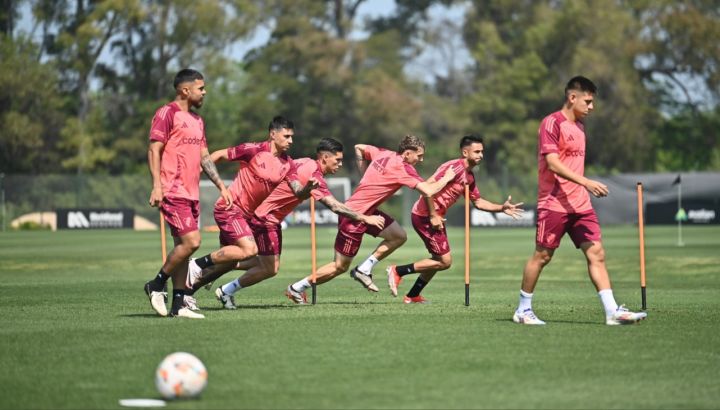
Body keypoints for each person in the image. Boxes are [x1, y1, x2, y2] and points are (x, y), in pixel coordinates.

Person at [188, 138, 386, 308]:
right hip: (265, 219)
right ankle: (217, 282)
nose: (340, 164)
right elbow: (334, 206)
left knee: (256, 262)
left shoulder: (303, 162)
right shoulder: (313, 175)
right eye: (338, 160)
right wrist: (364, 217)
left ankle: (216, 278)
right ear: (325, 157)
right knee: (269, 268)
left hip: (266, 218)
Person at [513, 76, 647, 325]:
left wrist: (583, 188)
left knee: (597, 254)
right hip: (554, 203)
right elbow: (552, 163)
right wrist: (586, 182)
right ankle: (523, 310)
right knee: (542, 256)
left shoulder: (580, 127)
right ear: (572, 97)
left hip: (580, 205)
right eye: (588, 101)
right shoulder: (551, 123)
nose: (591, 107)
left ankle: (612, 312)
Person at [285, 135, 456, 301]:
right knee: (339, 266)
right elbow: (428, 191)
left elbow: (359, 148)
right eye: (419, 156)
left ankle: (364, 269)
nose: (421, 160)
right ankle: (296, 288)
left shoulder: (384, 153)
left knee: (399, 236)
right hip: (353, 216)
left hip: (368, 212)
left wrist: (364, 174)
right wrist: (447, 178)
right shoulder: (403, 168)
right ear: (407, 153)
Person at [180, 116, 317, 310]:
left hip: (244, 216)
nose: (291, 141)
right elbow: (218, 155)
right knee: (250, 251)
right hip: (229, 208)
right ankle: (196, 264)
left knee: (227, 263)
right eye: (286, 136)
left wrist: (308, 188)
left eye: (292, 137)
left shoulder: (289, 164)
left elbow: (298, 191)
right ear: (272, 134)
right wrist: (199, 175)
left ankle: (186, 294)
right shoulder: (252, 150)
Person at [386, 135, 524, 303]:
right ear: (465, 152)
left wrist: (501, 208)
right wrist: (432, 215)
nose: (481, 155)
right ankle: (398, 271)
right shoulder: (453, 168)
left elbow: (478, 202)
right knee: (445, 261)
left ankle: (413, 295)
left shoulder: (470, 176)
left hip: (436, 218)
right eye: (477, 151)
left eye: (482, 152)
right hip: (425, 216)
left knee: (437, 259)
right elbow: (427, 188)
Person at [143, 68, 232, 319]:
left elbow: (205, 157)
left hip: (191, 193)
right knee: (193, 242)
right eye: (201, 88)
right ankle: (157, 284)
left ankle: (179, 304)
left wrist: (221, 186)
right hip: (172, 190)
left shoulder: (198, 121)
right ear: (185, 90)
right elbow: (154, 150)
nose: (204, 93)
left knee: (184, 247)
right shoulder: (166, 113)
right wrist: (157, 185)